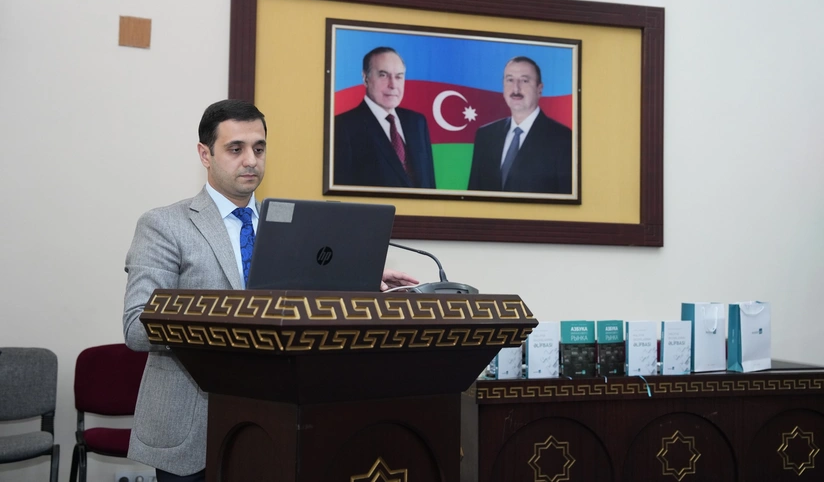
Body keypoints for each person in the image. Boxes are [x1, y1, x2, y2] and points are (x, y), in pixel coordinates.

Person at [122, 99, 418, 482]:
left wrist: (357, 283)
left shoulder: (295, 230)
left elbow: (303, 312)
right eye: (236, 149)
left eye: (259, 149)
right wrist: (235, 318)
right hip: (191, 426)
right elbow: (137, 326)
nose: (251, 160)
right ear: (205, 154)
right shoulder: (164, 225)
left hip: (275, 422)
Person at [334, 46, 436, 188]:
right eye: (383, 75)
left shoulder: (417, 122)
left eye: (398, 76)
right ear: (365, 78)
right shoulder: (343, 126)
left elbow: (430, 186)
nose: (393, 85)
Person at [467, 56, 572, 194]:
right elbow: (474, 195)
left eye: (524, 80)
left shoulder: (563, 139)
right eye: (510, 80)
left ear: (539, 89)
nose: (516, 88)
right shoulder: (485, 135)